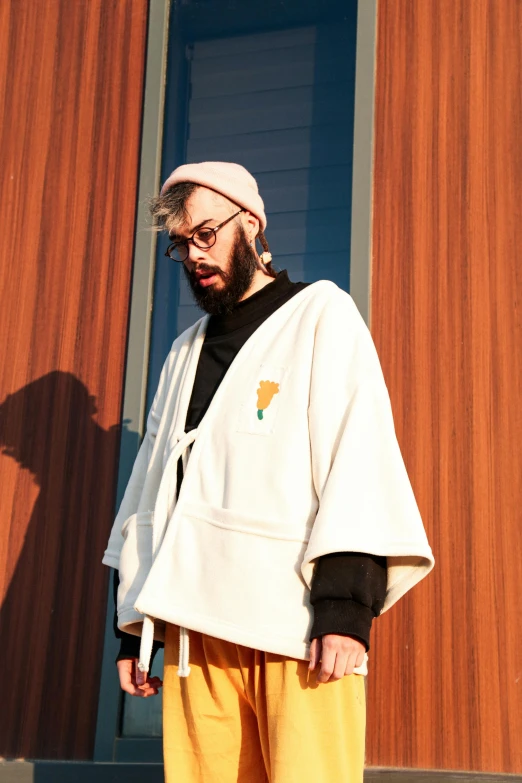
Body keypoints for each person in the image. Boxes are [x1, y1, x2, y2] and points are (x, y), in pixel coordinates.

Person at [102, 161, 434, 783]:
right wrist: (134, 629)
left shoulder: (319, 315)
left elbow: (356, 455)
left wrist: (345, 611)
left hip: (295, 628)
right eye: (182, 244)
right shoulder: (183, 351)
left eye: (206, 235)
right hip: (195, 636)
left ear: (249, 224)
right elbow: (151, 487)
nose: (194, 256)